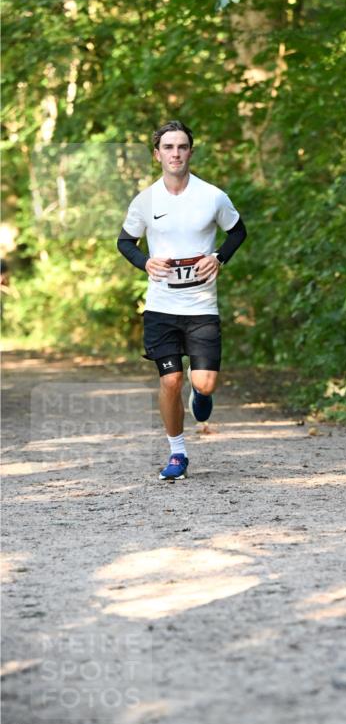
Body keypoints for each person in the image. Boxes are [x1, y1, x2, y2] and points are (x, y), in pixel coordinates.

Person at [117, 120, 246, 480]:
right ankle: (177, 453)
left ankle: (200, 395)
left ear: (191, 151)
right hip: (161, 307)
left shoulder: (213, 197)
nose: (176, 153)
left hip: (202, 306)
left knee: (203, 384)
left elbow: (238, 231)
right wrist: (146, 262)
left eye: (182, 147)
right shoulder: (145, 200)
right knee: (170, 381)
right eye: (169, 147)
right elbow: (125, 242)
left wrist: (218, 258)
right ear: (157, 154)